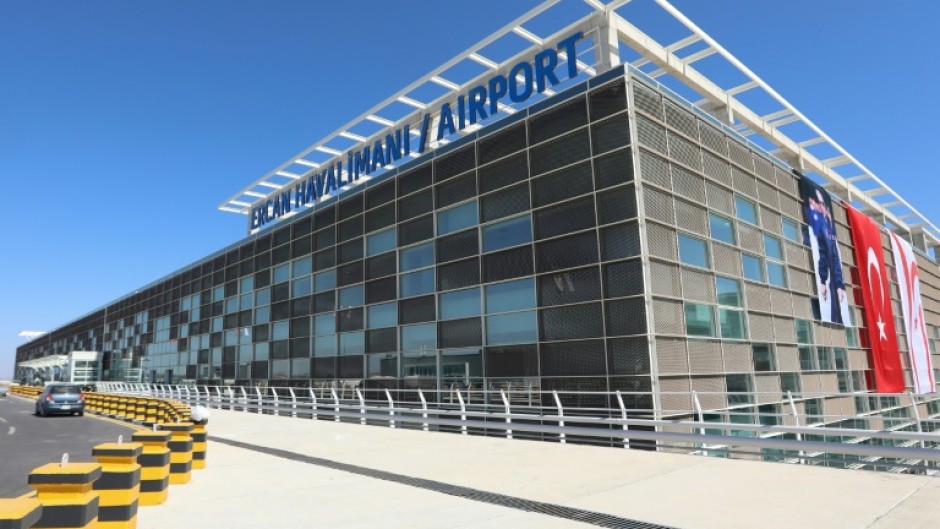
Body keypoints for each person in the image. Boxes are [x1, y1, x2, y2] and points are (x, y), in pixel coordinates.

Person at [806, 190, 845, 323]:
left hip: (830, 279)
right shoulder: (814, 219)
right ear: (813, 202)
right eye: (820, 203)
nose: (822, 207)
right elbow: (824, 254)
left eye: (823, 204)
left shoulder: (827, 224)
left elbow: (833, 255)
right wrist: (823, 281)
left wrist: (839, 284)